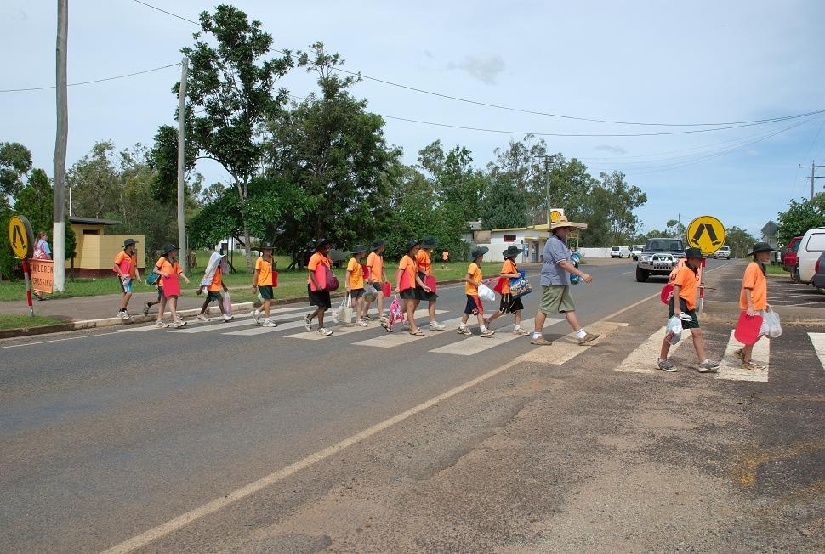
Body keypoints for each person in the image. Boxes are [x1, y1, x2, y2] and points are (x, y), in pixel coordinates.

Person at [531, 216, 598, 346]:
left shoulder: (560, 242)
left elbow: (566, 262)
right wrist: (581, 274)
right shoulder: (553, 242)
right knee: (545, 308)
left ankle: (581, 334)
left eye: (568, 228)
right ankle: (537, 335)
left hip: (561, 281)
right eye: (564, 228)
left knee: (569, 308)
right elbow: (562, 264)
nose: (567, 230)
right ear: (558, 229)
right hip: (553, 281)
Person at [657, 247, 720, 373]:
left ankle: (703, 362)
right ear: (691, 259)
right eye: (698, 259)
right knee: (673, 332)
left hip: (689, 306)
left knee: (696, 332)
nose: (700, 261)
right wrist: (676, 308)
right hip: (680, 303)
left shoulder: (693, 270)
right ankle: (662, 360)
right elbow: (676, 288)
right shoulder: (684, 270)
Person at [735, 242, 773, 370]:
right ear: (758, 254)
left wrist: (763, 302)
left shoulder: (760, 266)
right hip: (753, 306)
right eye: (766, 252)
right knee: (753, 333)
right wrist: (750, 306)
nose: (769, 255)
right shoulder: (753, 267)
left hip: (758, 305)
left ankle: (743, 351)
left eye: (769, 252)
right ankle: (746, 360)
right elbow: (747, 287)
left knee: (761, 332)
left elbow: (758, 288)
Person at [485, 245, 529, 335]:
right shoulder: (508, 262)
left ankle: (517, 328)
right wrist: (514, 275)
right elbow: (503, 274)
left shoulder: (512, 262)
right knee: (503, 310)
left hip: (514, 289)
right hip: (508, 290)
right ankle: (488, 320)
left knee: (518, 308)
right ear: (515, 254)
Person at [395, 239, 431, 336]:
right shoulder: (405, 259)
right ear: (410, 249)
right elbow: (400, 273)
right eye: (416, 248)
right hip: (406, 287)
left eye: (418, 248)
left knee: (405, 308)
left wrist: (424, 286)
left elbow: (416, 276)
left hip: (412, 286)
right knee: (410, 308)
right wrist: (397, 286)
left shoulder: (414, 259)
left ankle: (388, 321)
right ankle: (413, 328)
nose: (418, 249)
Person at [458, 246, 494, 337]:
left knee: (468, 310)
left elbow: (476, 279)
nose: (483, 257)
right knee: (479, 310)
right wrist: (476, 284)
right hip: (472, 292)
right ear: (478, 257)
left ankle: (462, 327)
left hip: (473, 292)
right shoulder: (473, 265)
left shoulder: (478, 266)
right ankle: (483, 330)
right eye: (482, 256)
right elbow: (467, 278)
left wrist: (483, 282)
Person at [152, 244, 191, 328]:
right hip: (163, 283)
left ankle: (159, 320)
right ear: (169, 252)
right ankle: (175, 320)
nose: (175, 252)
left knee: (163, 302)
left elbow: (179, 271)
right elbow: (155, 269)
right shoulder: (162, 259)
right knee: (171, 300)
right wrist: (163, 273)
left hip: (172, 282)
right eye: (174, 251)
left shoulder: (174, 261)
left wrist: (185, 278)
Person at [305, 239, 334, 336]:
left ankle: (309, 317)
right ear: (320, 248)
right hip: (315, 285)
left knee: (325, 307)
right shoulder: (315, 257)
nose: (327, 249)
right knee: (322, 306)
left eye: (328, 247)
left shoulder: (325, 258)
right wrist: (317, 285)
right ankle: (320, 328)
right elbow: (311, 272)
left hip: (323, 285)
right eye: (325, 247)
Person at [417, 236, 446, 331]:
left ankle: (407, 321)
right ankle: (432, 323)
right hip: (422, 279)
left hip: (426, 279)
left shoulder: (425, 253)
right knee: (432, 299)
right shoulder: (421, 254)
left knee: (415, 301)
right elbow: (413, 265)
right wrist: (423, 271)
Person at [197, 249, 233, 323]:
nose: (221, 260)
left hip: (215, 287)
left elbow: (219, 279)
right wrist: (201, 288)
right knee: (220, 299)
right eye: (219, 259)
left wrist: (224, 286)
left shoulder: (219, 268)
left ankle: (200, 314)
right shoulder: (212, 269)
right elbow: (206, 278)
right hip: (212, 287)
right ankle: (224, 315)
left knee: (207, 300)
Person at [113, 238, 141, 320]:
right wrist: (121, 275)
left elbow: (135, 267)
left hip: (130, 277)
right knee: (129, 293)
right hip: (124, 277)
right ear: (129, 246)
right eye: (133, 245)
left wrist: (138, 276)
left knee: (126, 294)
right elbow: (116, 265)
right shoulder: (122, 254)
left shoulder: (133, 255)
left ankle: (121, 311)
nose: (134, 246)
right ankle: (123, 310)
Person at [251, 242, 277, 327]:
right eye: (267, 249)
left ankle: (257, 312)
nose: (269, 251)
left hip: (269, 282)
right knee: (268, 300)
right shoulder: (260, 260)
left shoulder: (271, 258)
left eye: (270, 249)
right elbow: (256, 273)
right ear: (263, 250)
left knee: (269, 301)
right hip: (263, 283)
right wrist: (254, 286)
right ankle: (266, 320)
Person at [363, 240, 388, 322]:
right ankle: (381, 314)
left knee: (370, 296)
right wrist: (369, 277)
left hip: (378, 279)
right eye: (383, 246)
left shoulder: (380, 257)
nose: (384, 247)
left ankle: (364, 314)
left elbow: (382, 268)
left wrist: (385, 277)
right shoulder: (372, 255)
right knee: (380, 294)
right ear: (379, 247)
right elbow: (369, 267)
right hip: (373, 279)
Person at [346, 245, 369, 326]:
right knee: (352, 304)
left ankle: (358, 320)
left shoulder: (359, 262)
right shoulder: (352, 261)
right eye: (364, 251)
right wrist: (348, 285)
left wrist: (365, 278)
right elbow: (348, 272)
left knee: (360, 302)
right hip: (353, 286)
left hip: (360, 286)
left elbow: (359, 273)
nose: (365, 253)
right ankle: (339, 313)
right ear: (359, 253)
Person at [32, 231, 52, 300]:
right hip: (43, 263)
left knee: (39, 278)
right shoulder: (45, 243)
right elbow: (47, 253)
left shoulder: (37, 242)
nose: (47, 237)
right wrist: (51, 261)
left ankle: (39, 294)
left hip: (35, 262)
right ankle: (39, 293)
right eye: (46, 235)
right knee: (44, 279)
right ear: (43, 236)